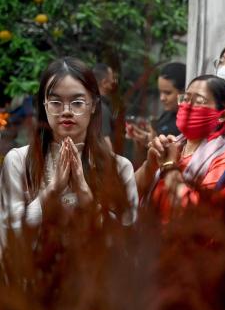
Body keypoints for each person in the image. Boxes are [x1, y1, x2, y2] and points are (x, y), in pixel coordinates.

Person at [1, 57, 138, 245]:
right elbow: (8, 241)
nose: (66, 111)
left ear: (94, 105)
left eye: (77, 102)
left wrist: (88, 199)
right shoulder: (18, 161)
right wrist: (50, 192)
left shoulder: (120, 168)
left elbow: (128, 246)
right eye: (56, 102)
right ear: (44, 105)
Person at [134, 75, 225, 220]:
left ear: (222, 117)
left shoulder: (223, 162)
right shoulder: (173, 146)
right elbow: (126, 195)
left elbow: (196, 215)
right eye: (186, 99)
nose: (187, 106)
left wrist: (169, 167)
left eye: (199, 101)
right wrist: (150, 165)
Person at [126, 62, 185, 145]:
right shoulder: (167, 114)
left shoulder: (186, 125)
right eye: (160, 92)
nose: (162, 98)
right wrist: (143, 137)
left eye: (167, 93)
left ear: (183, 92)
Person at [92, 63, 117, 150]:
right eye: (112, 78)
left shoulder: (90, 104)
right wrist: (116, 163)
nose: (114, 81)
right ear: (104, 82)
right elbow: (105, 142)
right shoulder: (101, 108)